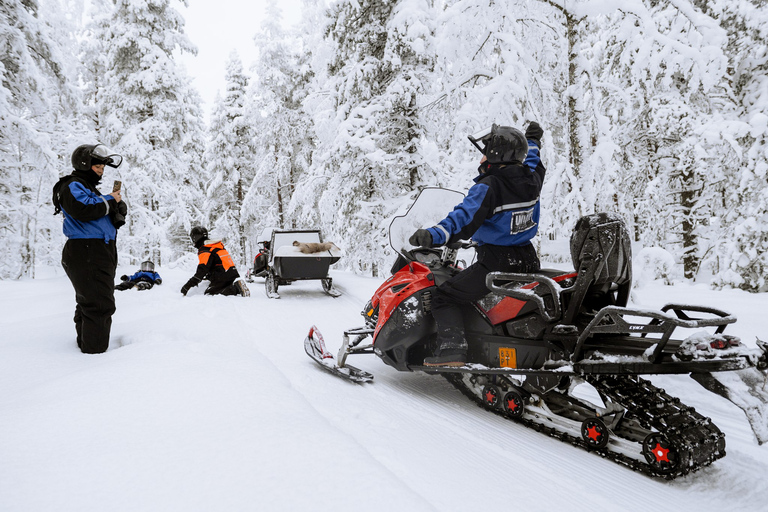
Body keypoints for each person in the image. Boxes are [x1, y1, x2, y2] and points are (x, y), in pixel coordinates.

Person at [409, 122, 546, 367]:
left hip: (495, 262)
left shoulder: (489, 186)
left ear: (496, 154)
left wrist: (433, 234)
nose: (482, 157)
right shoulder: (532, 179)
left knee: (444, 296)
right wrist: (533, 140)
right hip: (527, 259)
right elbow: (533, 158)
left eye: (486, 150)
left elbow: (463, 219)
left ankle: (452, 350)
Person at [53, 143, 127, 354]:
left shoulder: (87, 188)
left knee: (91, 300)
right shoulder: (73, 185)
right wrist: (110, 201)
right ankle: (93, 359)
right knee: (99, 303)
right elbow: (83, 209)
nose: (101, 171)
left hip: (97, 250)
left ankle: (86, 346)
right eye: (97, 167)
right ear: (84, 164)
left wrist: (117, 211)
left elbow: (95, 213)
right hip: (87, 250)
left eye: (103, 168)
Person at [181, 226, 250, 297]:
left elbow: (202, 271)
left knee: (210, 293)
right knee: (217, 287)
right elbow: (215, 263)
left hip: (222, 276)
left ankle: (236, 289)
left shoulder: (205, 249)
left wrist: (187, 286)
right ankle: (234, 286)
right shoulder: (215, 246)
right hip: (230, 273)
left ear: (195, 238)